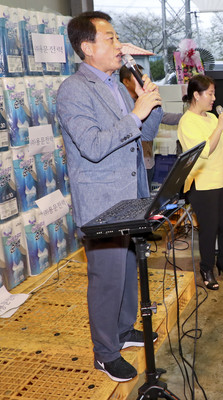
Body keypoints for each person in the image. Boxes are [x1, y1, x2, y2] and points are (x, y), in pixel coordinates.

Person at [56, 11, 164, 382]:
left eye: (118, 39)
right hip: (101, 202)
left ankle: (122, 330)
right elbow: (93, 146)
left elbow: (141, 134)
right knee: (106, 279)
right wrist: (136, 113)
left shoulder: (116, 85)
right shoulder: (73, 90)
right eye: (111, 39)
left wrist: (150, 102)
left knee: (128, 269)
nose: (119, 46)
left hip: (129, 195)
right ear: (88, 47)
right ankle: (105, 352)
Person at [177, 75, 223, 290]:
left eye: (213, 93)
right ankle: (207, 268)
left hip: (221, 181)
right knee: (209, 229)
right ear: (196, 95)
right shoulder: (187, 122)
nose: (214, 98)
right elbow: (204, 151)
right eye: (210, 93)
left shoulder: (211, 118)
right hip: (201, 185)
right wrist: (220, 125)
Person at [119, 64, 182, 242]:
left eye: (143, 76)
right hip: (133, 163)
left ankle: (144, 231)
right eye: (136, 77)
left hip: (148, 160)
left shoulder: (145, 100)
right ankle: (135, 236)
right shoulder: (124, 105)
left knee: (146, 199)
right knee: (135, 201)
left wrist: (188, 116)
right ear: (125, 82)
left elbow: (162, 117)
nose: (142, 80)